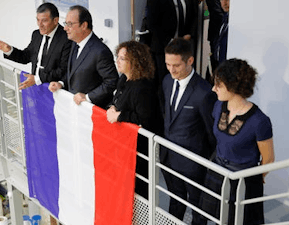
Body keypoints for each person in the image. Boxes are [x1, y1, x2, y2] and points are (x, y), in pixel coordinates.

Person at [200, 59, 275, 224]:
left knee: (237, 220)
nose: (213, 88)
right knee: (208, 216)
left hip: (243, 179)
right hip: (217, 170)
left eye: (218, 85)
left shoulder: (259, 121)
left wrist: (252, 178)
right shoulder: (219, 106)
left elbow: (268, 159)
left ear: (233, 86)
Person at [160, 38, 216, 224]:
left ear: (190, 61)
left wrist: (206, 161)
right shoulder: (167, 81)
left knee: (198, 208)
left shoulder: (205, 92)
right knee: (175, 202)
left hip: (193, 163)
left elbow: (211, 132)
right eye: (168, 64)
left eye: (176, 65)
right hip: (169, 157)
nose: (171, 69)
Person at [106, 40, 162, 199]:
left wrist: (119, 116)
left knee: (138, 190)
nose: (117, 60)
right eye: (118, 56)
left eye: (122, 58)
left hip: (139, 150)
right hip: (124, 147)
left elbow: (145, 119)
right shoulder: (124, 79)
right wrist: (112, 107)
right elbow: (117, 99)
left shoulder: (143, 87)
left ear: (135, 61)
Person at [49, 5, 118, 109]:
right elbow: (73, 71)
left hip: (91, 112)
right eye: (65, 23)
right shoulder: (74, 43)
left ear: (84, 25)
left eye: (70, 24)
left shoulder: (100, 51)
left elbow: (112, 81)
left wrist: (88, 97)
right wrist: (61, 83)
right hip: (75, 109)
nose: (65, 28)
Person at [0, 3, 71, 90]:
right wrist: (9, 50)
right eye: (38, 20)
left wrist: (37, 79)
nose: (40, 25)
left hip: (54, 91)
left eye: (44, 21)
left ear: (55, 20)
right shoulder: (36, 34)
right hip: (35, 89)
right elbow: (26, 57)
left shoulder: (67, 39)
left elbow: (63, 70)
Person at [146, 0, 199, 91]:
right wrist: (171, 41)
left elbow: (194, 17)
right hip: (162, 48)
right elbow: (151, 24)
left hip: (184, 47)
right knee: (164, 83)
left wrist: (189, 34)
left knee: (184, 79)